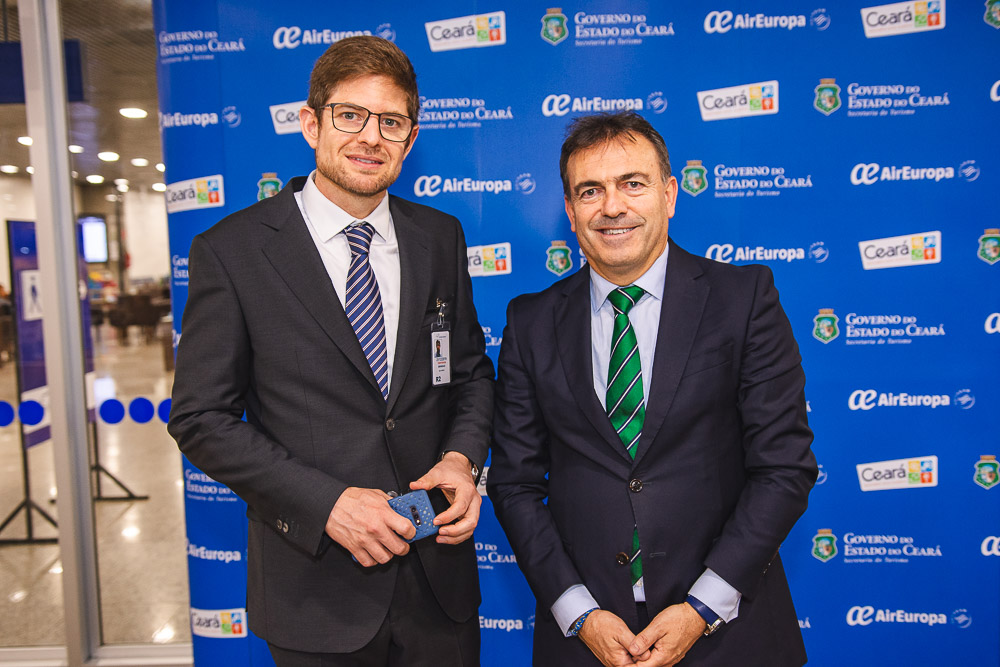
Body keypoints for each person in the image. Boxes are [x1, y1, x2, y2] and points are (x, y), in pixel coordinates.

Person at [169, 36, 493, 666]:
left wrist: (461, 460)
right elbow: (200, 418)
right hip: (314, 591)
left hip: (439, 585)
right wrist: (329, 505)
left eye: (391, 121)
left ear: (411, 138)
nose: (371, 137)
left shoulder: (439, 237)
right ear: (311, 123)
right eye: (351, 116)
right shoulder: (233, 251)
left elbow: (470, 374)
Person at [488, 111, 816, 667]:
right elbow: (515, 484)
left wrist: (703, 607)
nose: (612, 206)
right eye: (590, 190)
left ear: (669, 194)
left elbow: (784, 468)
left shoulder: (744, 299)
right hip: (589, 641)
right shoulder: (530, 321)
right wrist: (579, 613)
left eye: (632, 184)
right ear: (570, 210)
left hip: (730, 635)